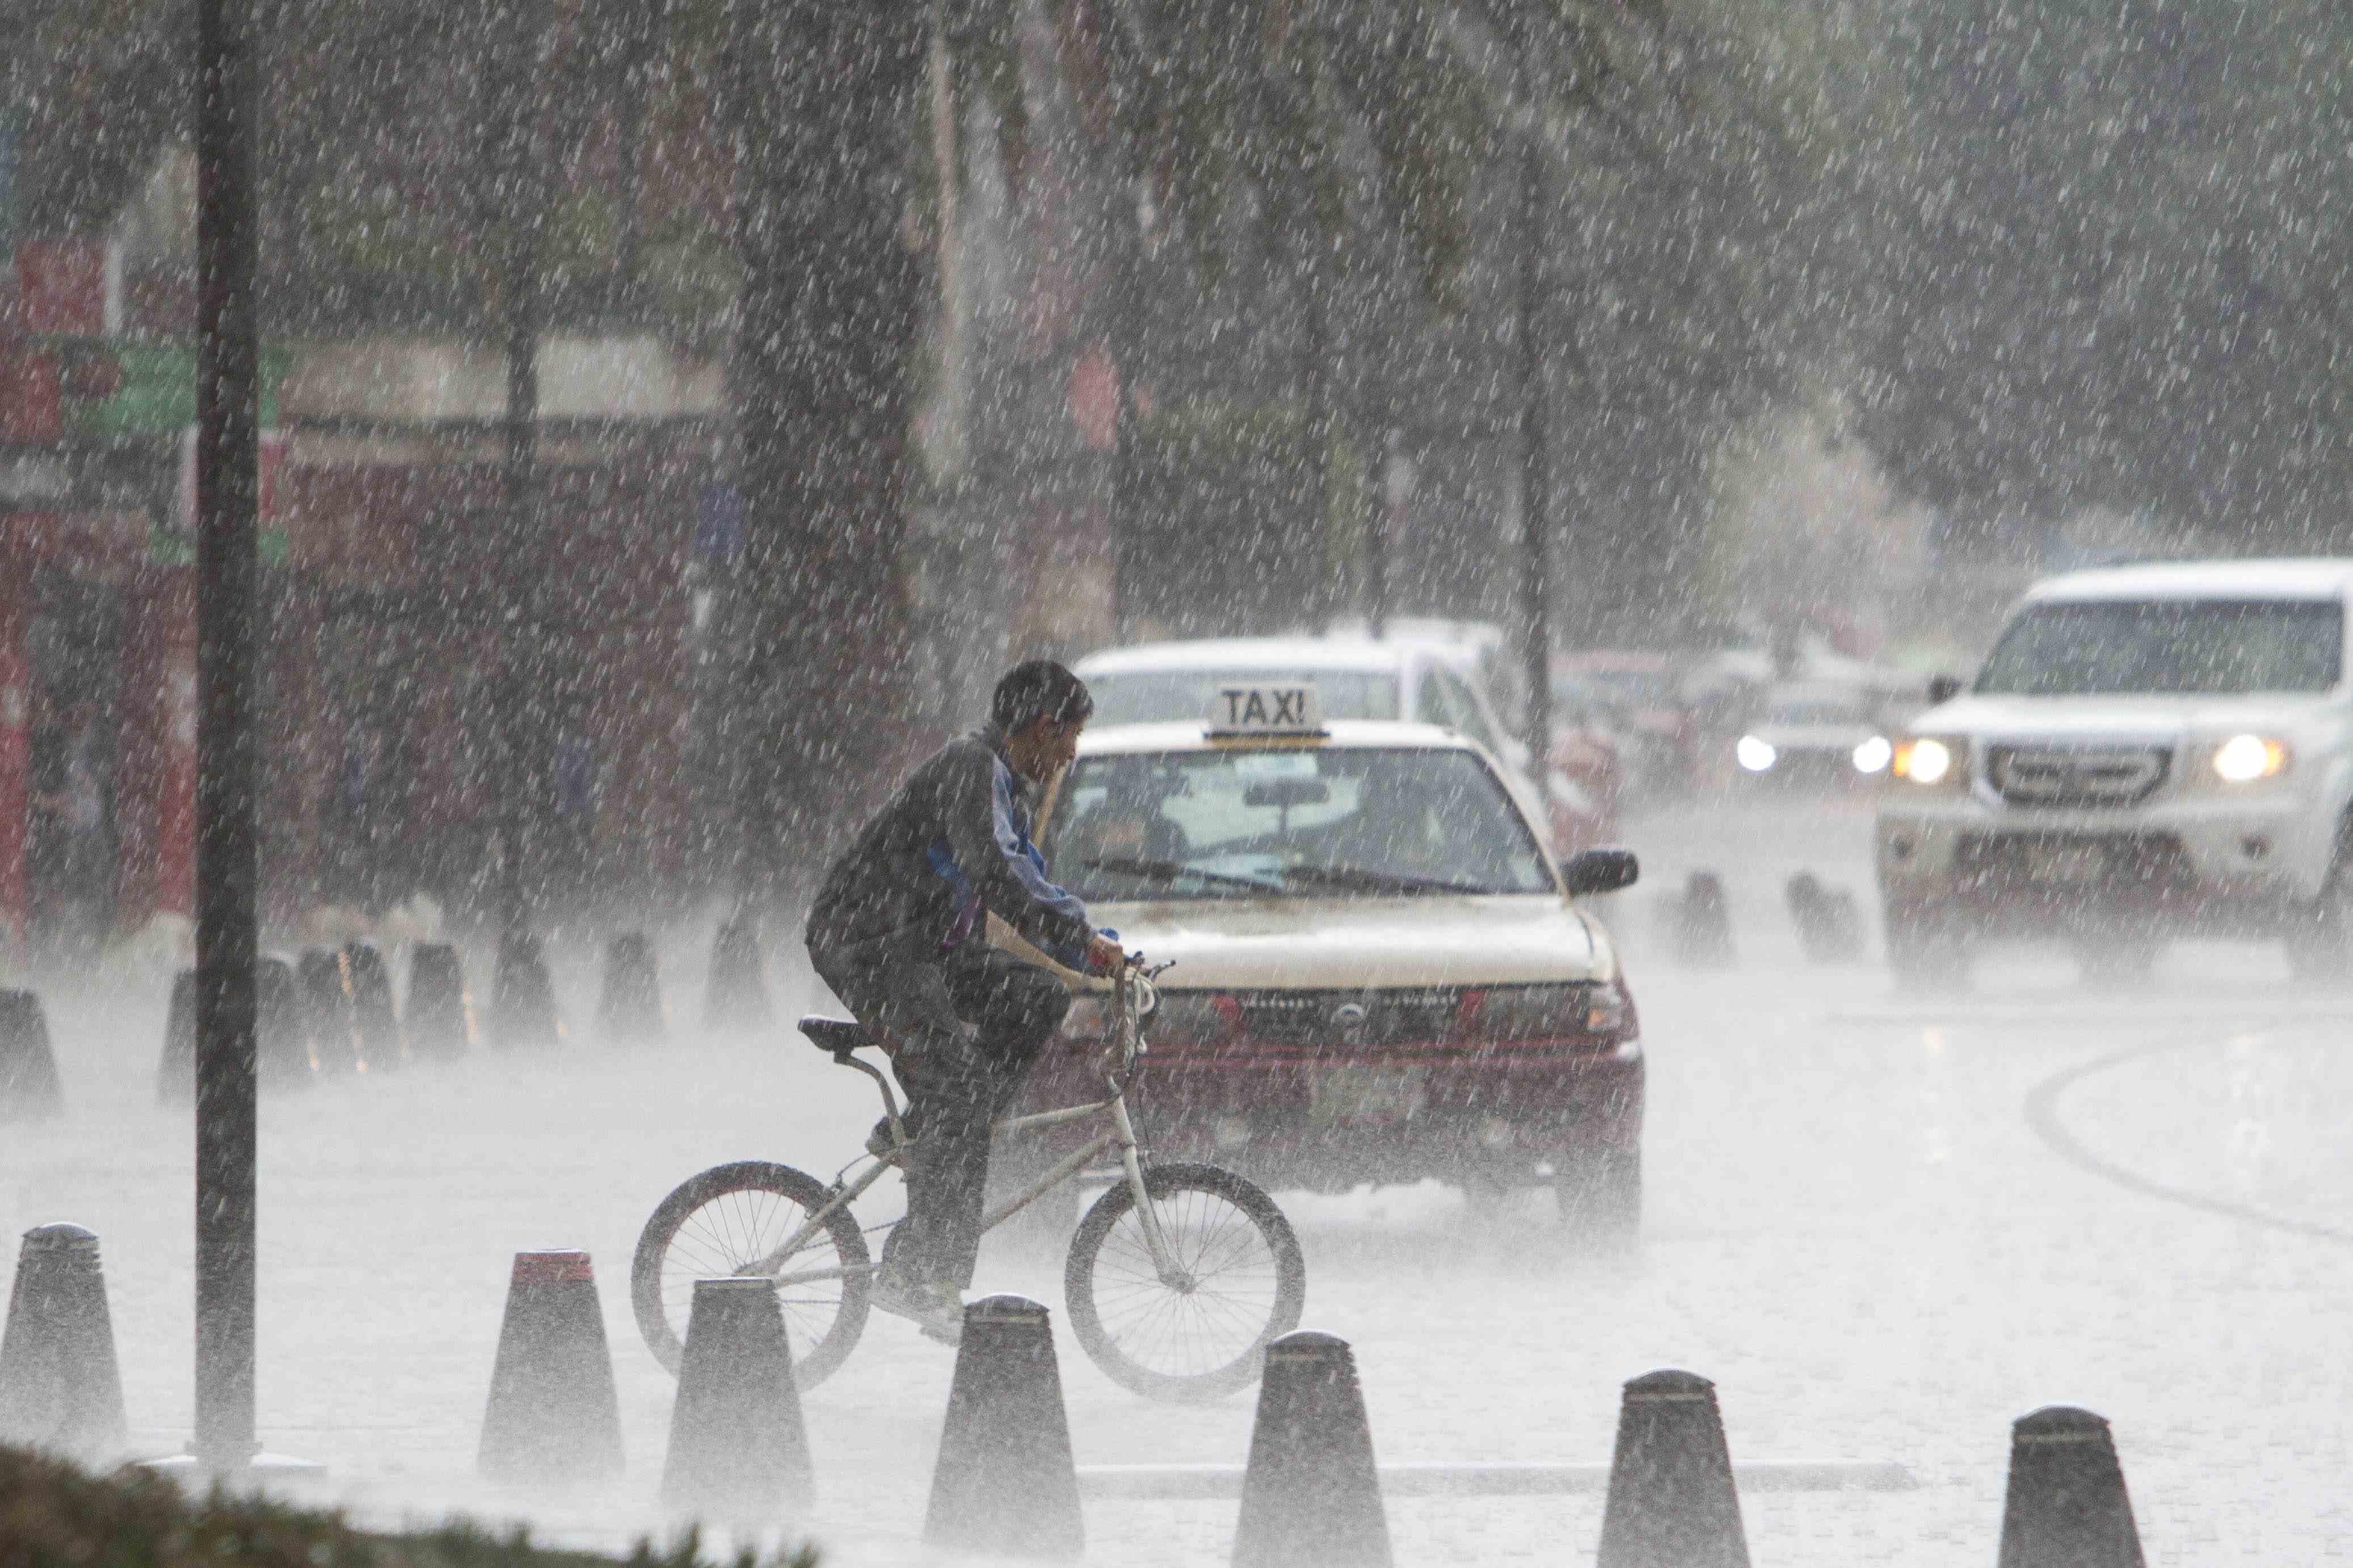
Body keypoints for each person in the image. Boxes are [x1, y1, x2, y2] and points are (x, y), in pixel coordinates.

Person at [805, 659, 1123, 1344]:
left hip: (927, 949)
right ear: (1042, 727)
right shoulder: (970, 766)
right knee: (957, 1087)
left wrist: (1082, 945)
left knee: (1036, 996)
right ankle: (921, 1274)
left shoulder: (1005, 784)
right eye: (1069, 738)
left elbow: (1026, 871)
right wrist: (1079, 940)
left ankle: (930, 1125)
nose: (1070, 755)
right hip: (873, 942)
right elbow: (997, 870)